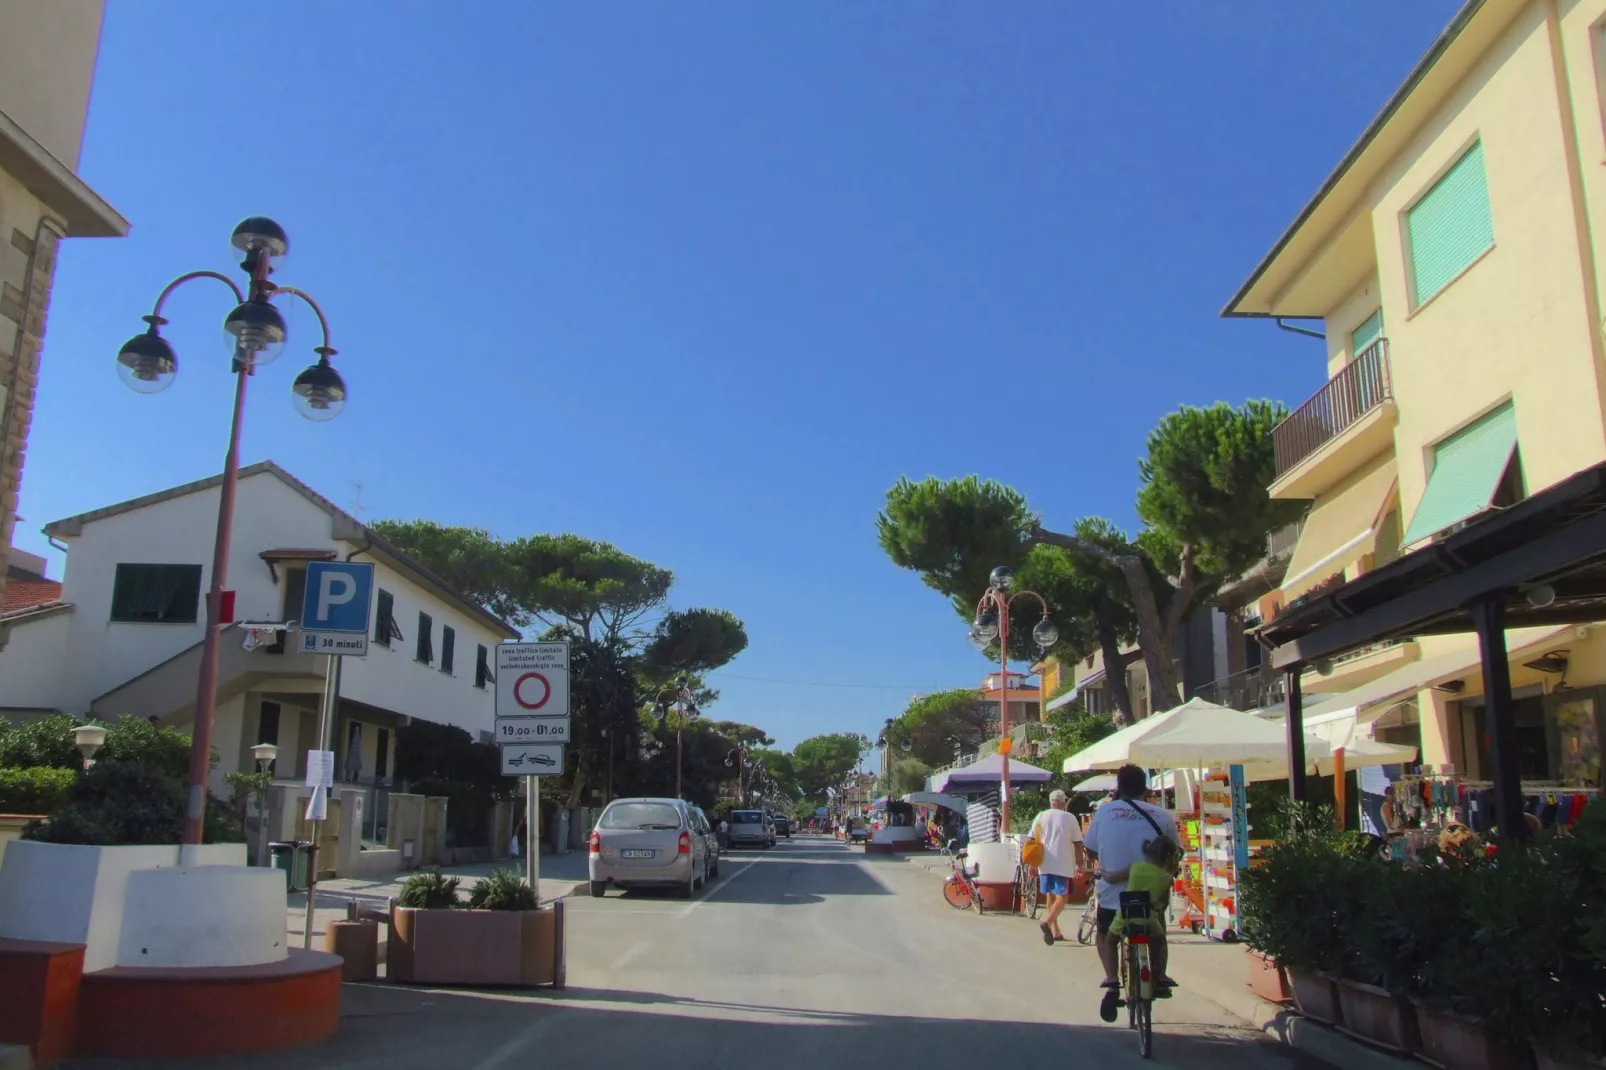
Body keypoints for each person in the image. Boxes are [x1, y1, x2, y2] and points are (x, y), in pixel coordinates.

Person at [1083, 764, 1182, 1023]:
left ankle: (1113, 981)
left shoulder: (1104, 813)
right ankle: (1159, 977)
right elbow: (1175, 851)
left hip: (1113, 897)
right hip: (1151, 897)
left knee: (1105, 932)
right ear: (1145, 789)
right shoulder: (1162, 815)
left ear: (1118, 788)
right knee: (1157, 928)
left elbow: (1090, 847)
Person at [1027, 789, 1085, 945]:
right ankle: (1048, 922)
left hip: (1044, 863)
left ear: (1051, 802)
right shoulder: (1070, 818)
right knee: (1063, 896)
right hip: (1063, 863)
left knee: (1050, 895)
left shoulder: (1041, 816)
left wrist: (1032, 864)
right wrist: (1080, 864)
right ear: (1062, 803)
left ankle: (1055, 931)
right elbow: (1078, 844)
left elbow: (1031, 840)